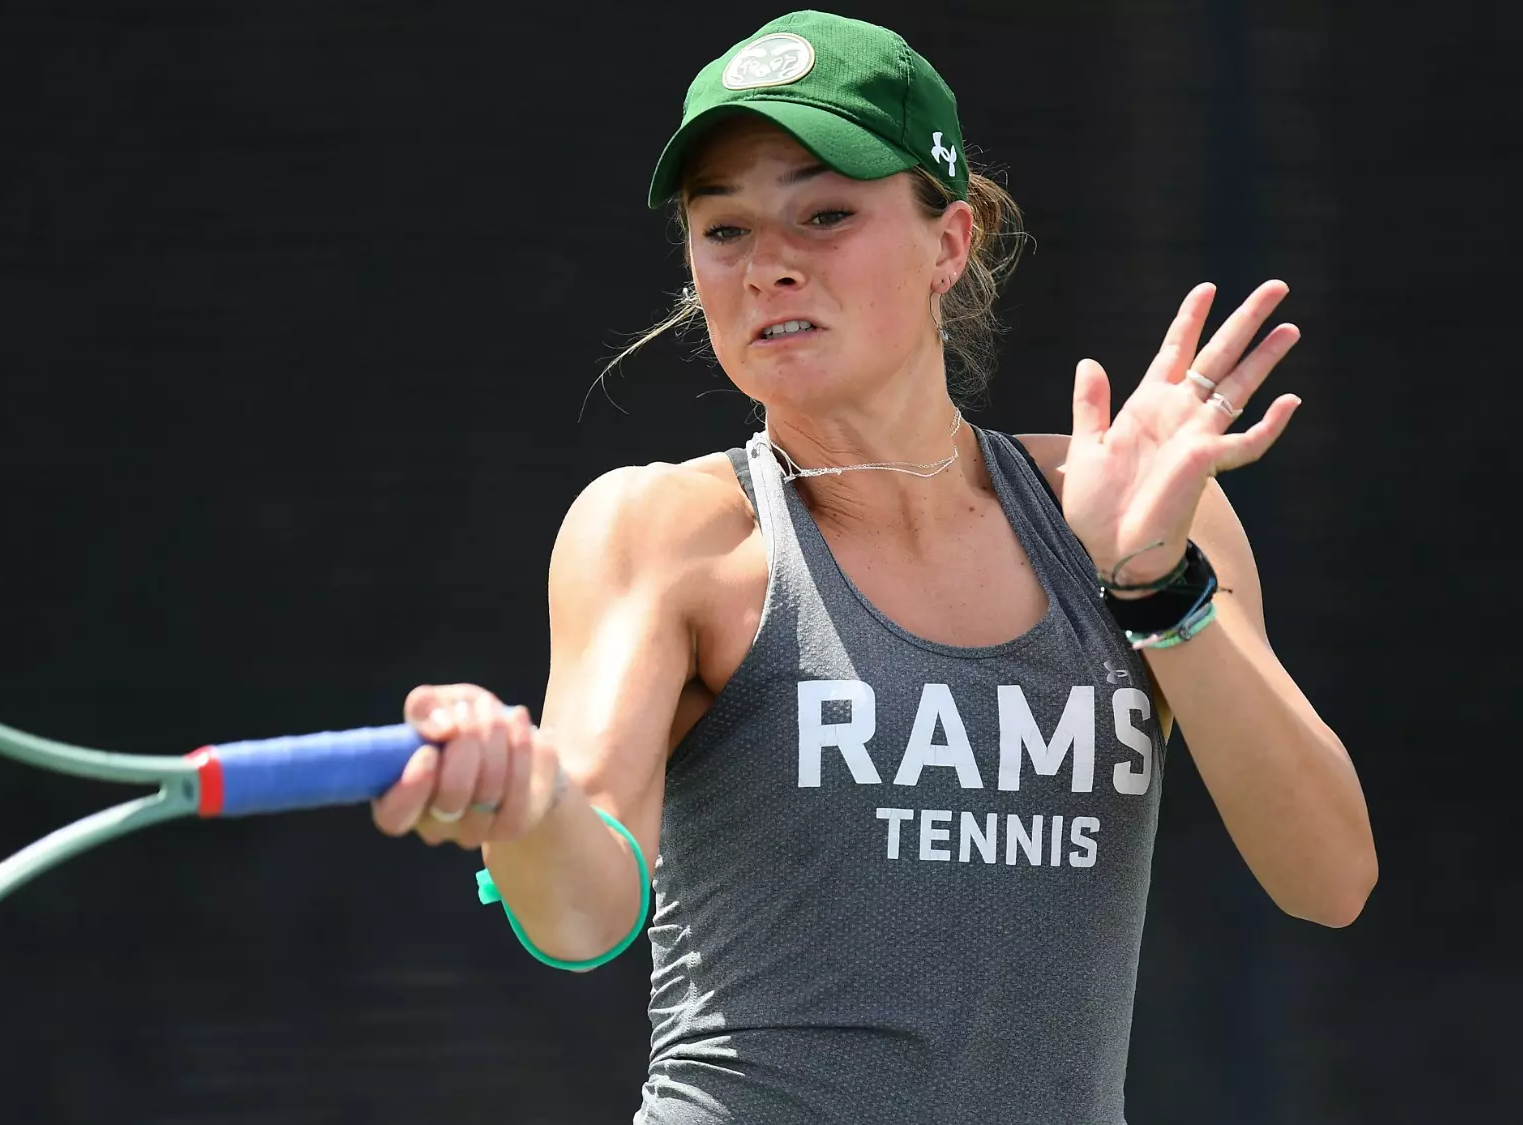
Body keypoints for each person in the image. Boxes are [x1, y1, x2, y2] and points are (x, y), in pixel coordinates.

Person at [369, 12, 1376, 1123]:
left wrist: (1151, 580)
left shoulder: (1133, 514)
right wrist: (524, 805)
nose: (766, 268)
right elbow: (581, 913)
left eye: (826, 213)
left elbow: (1327, 879)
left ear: (949, 241)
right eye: (724, 230)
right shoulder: (662, 528)